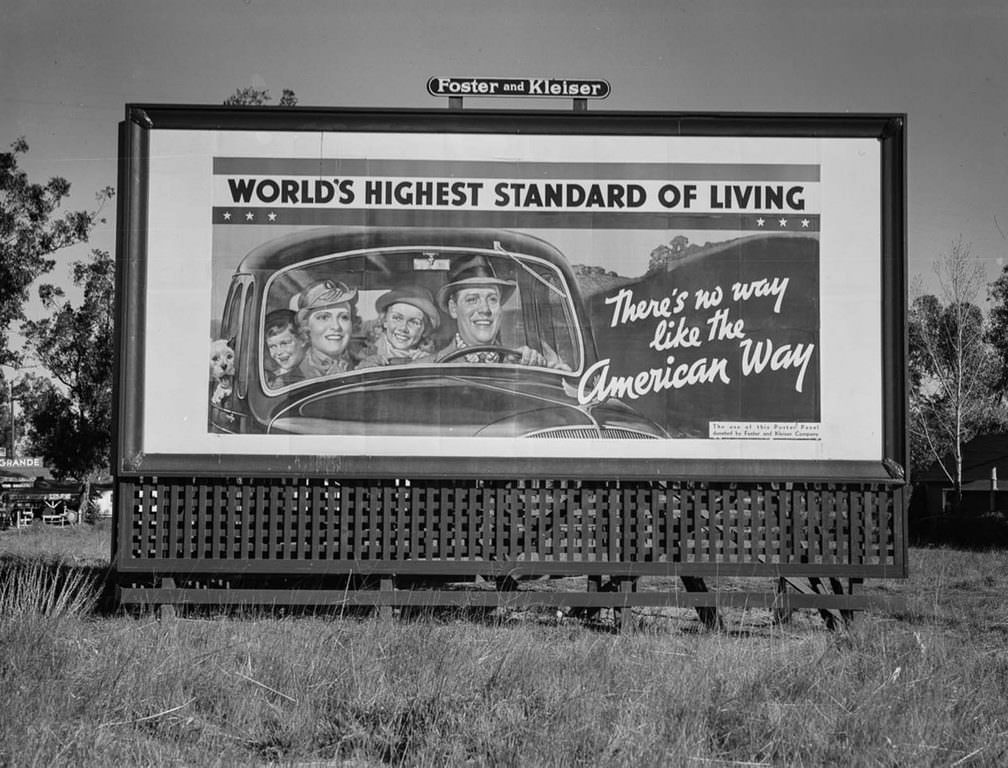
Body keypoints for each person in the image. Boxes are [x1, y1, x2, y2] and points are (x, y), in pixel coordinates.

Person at [434, 255, 569, 369]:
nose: (485, 310)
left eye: (492, 299)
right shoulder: (427, 367)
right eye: (472, 299)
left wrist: (548, 371)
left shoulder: (520, 365)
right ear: (453, 308)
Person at [358, 285, 440, 368]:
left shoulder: (432, 360)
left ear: (424, 330)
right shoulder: (366, 354)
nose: (403, 328)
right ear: (385, 321)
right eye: (397, 318)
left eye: (414, 322)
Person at [295, 279, 359, 379]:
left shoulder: (364, 364)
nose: (336, 326)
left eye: (344, 317)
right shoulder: (291, 375)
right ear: (306, 326)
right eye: (324, 317)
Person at [263, 309, 306, 386]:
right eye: (272, 346)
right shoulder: (272, 379)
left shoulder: (312, 372)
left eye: (284, 344)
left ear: (302, 339)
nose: (279, 352)